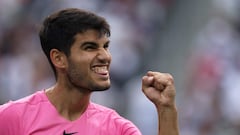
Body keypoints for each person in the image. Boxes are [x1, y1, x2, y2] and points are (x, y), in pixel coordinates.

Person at [0, 8, 179, 135]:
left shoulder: (117, 128)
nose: (105, 57)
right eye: (90, 47)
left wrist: (166, 109)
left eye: (105, 47)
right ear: (59, 58)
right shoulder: (12, 118)